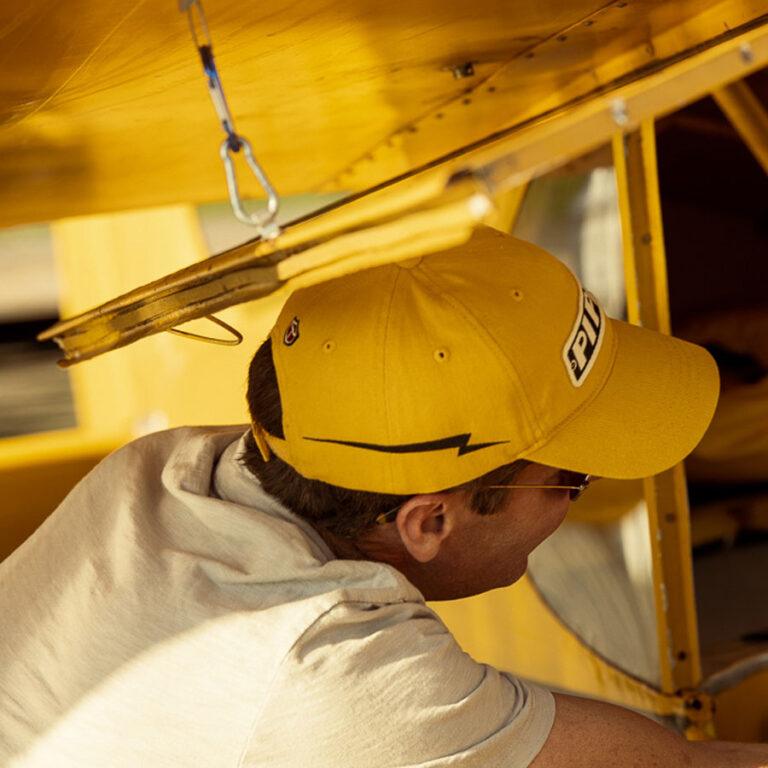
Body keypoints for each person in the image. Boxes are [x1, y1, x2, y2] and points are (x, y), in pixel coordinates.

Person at [0, 226, 764, 767]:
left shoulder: (159, 469)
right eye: (573, 479)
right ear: (428, 520)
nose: (575, 503)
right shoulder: (331, 670)